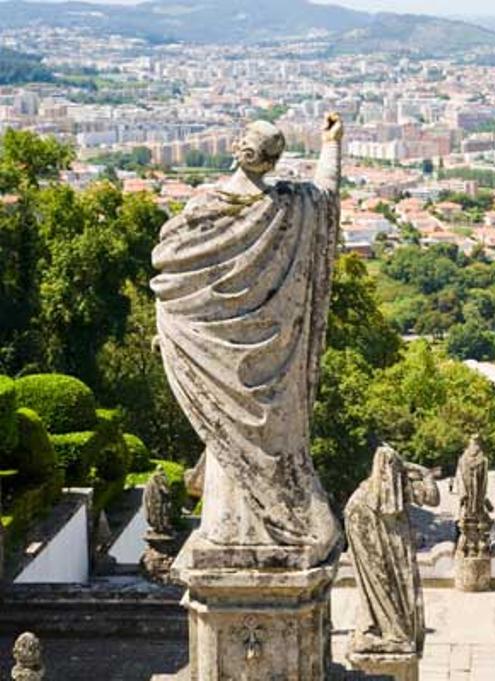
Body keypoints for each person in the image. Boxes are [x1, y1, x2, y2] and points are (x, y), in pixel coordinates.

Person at [151, 114, 343, 562]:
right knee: (269, 446)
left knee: (226, 443)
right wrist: (331, 144)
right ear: (272, 161)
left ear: (239, 150)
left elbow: (171, 277)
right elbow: (327, 197)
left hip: (216, 364)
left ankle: (227, 529)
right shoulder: (292, 206)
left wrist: (178, 335)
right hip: (275, 369)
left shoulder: (204, 210)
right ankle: (276, 525)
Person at [345, 444, 440, 655]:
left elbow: (432, 499)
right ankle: (389, 631)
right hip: (374, 549)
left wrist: (425, 474)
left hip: (395, 552)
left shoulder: (398, 485)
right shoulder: (362, 499)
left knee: (395, 587)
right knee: (379, 583)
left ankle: (395, 632)